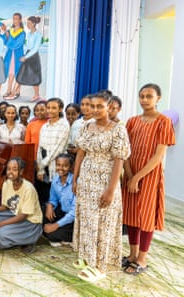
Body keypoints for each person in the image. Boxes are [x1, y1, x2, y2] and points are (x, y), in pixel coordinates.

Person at [72, 92, 130, 282]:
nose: (95, 110)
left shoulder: (118, 130)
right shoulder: (86, 127)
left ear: (109, 106)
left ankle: (100, 266)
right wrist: (75, 179)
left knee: (102, 222)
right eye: (92, 106)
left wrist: (111, 190)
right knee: (88, 221)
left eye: (99, 106)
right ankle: (88, 258)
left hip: (106, 182)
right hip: (86, 182)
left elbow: (119, 161)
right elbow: (81, 154)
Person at [122, 84, 175, 275]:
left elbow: (158, 156)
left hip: (149, 176)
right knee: (131, 215)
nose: (145, 100)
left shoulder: (164, 122)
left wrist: (137, 177)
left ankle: (142, 259)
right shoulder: (132, 121)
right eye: (142, 96)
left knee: (146, 216)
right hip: (130, 175)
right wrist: (129, 176)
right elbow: (125, 151)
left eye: (149, 96)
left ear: (158, 98)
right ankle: (132, 254)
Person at [0, 157, 43, 253]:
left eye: (15, 169)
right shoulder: (7, 183)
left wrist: (1, 224)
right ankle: (11, 240)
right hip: (15, 214)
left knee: (1, 234)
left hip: (30, 222)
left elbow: (23, 216)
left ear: (21, 171)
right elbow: (6, 206)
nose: (10, 172)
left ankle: (28, 240)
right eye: (8, 169)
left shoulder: (28, 189)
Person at [37, 98, 70, 207]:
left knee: (56, 197)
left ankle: (55, 222)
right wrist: (40, 169)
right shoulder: (44, 126)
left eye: (54, 108)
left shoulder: (64, 125)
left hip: (56, 165)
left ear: (60, 109)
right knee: (44, 196)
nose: (50, 110)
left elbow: (58, 149)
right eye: (48, 107)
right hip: (44, 166)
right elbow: (40, 148)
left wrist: (43, 164)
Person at [43, 154, 76, 247]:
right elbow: (53, 199)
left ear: (70, 167)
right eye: (58, 165)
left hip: (73, 219)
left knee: (51, 233)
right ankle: (60, 235)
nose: (61, 168)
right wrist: (50, 205)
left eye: (65, 166)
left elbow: (74, 213)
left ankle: (66, 237)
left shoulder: (76, 182)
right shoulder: (55, 179)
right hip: (62, 212)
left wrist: (55, 225)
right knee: (43, 211)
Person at [14, 16, 43, 102]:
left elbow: (35, 48)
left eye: (29, 23)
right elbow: (27, 46)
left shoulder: (38, 34)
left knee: (35, 76)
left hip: (33, 56)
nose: (28, 25)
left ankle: (37, 95)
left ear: (34, 23)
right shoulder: (29, 34)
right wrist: (25, 55)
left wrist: (25, 57)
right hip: (28, 54)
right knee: (21, 74)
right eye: (27, 23)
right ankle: (14, 92)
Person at [2, 13, 26, 100]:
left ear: (20, 20)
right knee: (10, 73)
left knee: (18, 73)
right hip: (10, 55)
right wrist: (5, 32)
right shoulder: (10, 30)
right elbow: (5, 42)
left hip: (18, 55)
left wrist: (8, 37)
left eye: (16, 19)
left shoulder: (22, 32)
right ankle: (9, 90)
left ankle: (17, 91)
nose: (15, 20)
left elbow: (16, 45)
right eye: (14, 19)